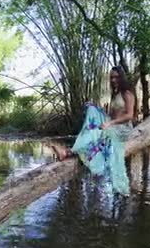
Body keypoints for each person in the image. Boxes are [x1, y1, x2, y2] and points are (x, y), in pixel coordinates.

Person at [51, 66, 135, 195]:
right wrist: (99, 113)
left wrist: (110, 123)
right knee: (91, 111)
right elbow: (112, 115)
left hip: (123, 129)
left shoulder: (127, 94)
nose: (113, 80)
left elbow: (129, 115)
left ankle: (67, 152)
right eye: (111, 77)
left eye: (116, 77)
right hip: (112, 124)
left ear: (122, 77)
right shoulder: (115, 94)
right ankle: (69, 150)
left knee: (96, 134)